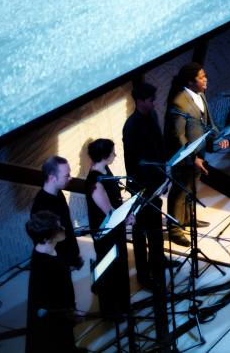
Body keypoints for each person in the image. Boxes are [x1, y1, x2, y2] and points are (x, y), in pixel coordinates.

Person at [164, 62, 229, 247]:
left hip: (198, 154)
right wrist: (193, 159)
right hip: (185, 157)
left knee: (191, 188)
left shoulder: (201, 95)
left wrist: (219, 137)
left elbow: (208, 122)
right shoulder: (179, 102)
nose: (205, 79)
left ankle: (187, 219)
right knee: (179, 191)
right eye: (201, 77)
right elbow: (179, 137)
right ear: (190, 81)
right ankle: (175, 229)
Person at [121, 82, 171, 302]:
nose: (155, 103)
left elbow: (159, 146)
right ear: (139, 101)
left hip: (156, 181)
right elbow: (131, 164)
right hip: (141, 186)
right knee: (142, 231)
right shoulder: (130, 127)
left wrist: (165, 175)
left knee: (155, 225)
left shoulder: (151, 115)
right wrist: (141, 190)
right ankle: (143, 274)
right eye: (151, 100)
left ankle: (158, 260)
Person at [84, 139, 135, 318]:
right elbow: (109, 212)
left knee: (120, 267)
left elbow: (115, 202)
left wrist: (128, 213)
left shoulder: (105, 171)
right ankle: (110, 311)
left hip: (116, 230)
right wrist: (126, 217)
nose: (115, 155)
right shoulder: (96, 182)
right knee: (109, 271)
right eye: (113, 152)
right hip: (106, 235)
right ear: (104, 156)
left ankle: (123, 305)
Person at [25, 211, 83, 353]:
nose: (63, 229)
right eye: (58, 229)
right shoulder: (46, 266)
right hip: (54, 317)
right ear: (46, 239)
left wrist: (65, 268)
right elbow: (55, 300)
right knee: (58, 341)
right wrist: (73, 314)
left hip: (59, 309)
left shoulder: (46, 249)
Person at [30, 156, 83, 271]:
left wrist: (75, 253)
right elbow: (54, 243)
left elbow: (67, 226)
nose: (70, 177)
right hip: (58, 263)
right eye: (66, 175)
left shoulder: (59, 193)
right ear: (52, 178)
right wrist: (73, 260)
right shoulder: (42, 208)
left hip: (68, 258)